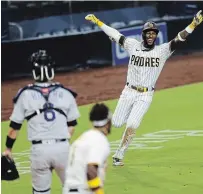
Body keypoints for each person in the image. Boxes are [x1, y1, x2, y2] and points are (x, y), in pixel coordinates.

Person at [85, 10, 203, 166]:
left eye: (153, 33)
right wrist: (98, 22)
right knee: (118, 122)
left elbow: (179, 39)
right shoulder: (132, 45)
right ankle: (105, 119)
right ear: (143, 34)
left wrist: (193, 24)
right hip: (128, 92)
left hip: (145, 95)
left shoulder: (162, 51)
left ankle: (119, 154)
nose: (151, 35)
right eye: (148, 33)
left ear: (156, 35)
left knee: (132, 124)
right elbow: (115, 34)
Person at [2, 49, 80, 193]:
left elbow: (14, 128)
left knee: (41, 191)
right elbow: (72, 125)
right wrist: (59, 142)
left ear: (34, 72)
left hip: (39, 151)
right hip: (62, 148)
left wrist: (8, 149)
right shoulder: (65, 92)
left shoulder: (25, 94)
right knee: (74, 189)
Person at [63, 103, 111, 194]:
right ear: (108, 122)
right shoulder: (99, 140)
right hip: (83, 191)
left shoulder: (84, 137)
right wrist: (99, 191)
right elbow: (91, 169)